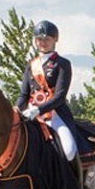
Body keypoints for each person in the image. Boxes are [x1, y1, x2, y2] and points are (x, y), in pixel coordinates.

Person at [16, 21, 79, 162]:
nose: (42, 42)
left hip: (55, 115)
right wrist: (16, 109)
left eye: (47, 39)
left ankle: (74, 182)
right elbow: (24, 94)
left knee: (69, 150)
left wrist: (38, 110)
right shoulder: (31, 64)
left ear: (55, 40)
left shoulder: (62, 64)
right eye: (39, 39)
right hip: (30, 114)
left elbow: (59, 97)